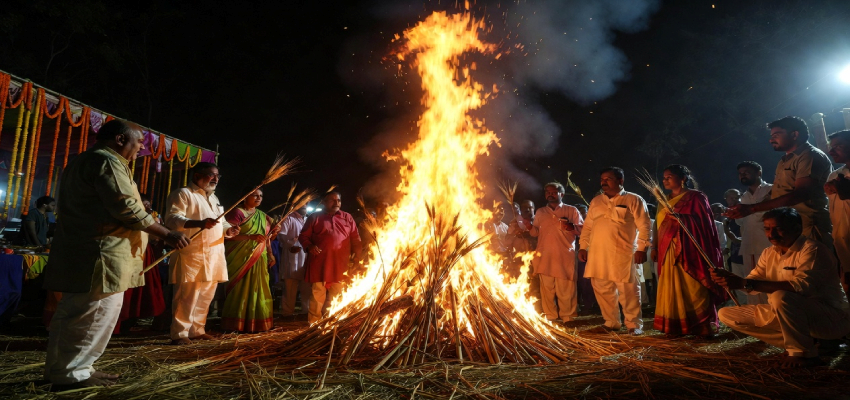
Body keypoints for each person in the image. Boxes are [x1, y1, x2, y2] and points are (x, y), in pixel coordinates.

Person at [42, 120, 190, 388]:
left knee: (72, 313)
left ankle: (63, 368)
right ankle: (73, 374)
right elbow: (129, 209)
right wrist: (168, 234)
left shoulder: (84, 160)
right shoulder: (108, 162)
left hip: (86, 251)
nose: (141, 149)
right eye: (139, 143)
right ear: (121, 140)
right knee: (95, 313)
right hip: (103, 253)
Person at [711, 207, 850, 368]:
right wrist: (731, 279)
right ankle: (808, 342)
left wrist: (745, 283)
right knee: (726, 314)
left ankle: (802, 353)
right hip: (790, 315)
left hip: (829, 317)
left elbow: (801, 287)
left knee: (780, 296)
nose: (772, 234)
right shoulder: (769, 253)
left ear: (797, 228)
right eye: (767, 229)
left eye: (779, 229)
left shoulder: (812, 249)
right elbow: (752, 282)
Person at [726, 116, 832, 248]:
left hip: (807, 226)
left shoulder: (809, 156)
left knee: (811, 267)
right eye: (771, 136)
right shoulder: (784, 161)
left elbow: (800, 194)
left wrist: (751, 208)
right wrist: (745, 209)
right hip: (787, 229)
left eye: (776, 135)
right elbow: (778, 194)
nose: (771, 139)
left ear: (794, 134)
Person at [165, 162, 239, 344]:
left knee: (206, 295)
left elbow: (220, 223)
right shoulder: (183, 194)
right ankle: (180, 334)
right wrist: (199, 223)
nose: (215, 179)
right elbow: (172, 219)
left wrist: (229, 230)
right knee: (187, 295)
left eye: (217, 176)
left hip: (214, 255)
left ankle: (197, 330)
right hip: (192, 254)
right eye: (211, 175)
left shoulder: (213, 198)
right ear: (197, 176)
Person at [651, 165, 728, 337]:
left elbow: (706, 224)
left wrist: (683, 219)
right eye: (664, 178)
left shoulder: (696, 197)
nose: (665, 180)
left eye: (669, 176)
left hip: (691, 249)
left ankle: (702, 325)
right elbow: (658, 226)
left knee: (695, 286)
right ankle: (676, 326)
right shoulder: (663, 200)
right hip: (668, 249)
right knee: (672, 286)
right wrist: (655, 246)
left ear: (683, 178)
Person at [579, 167, 651, 334]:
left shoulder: (634, 199)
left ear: (620, 181)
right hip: (598, 254)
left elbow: (645, 226)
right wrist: (583, 247)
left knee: (629, 290)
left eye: (608, 178)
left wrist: (642, 248)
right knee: (602, 288)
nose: (604, 182)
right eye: (602, 179)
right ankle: (611, 322)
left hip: (624, 254)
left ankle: (634, 325)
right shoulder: (596, 201)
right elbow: (588, 227)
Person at [221, 188, 280, 332]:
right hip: (240, 258)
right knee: (239, 289)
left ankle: (258, 323)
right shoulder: (237, 213)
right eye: (255, 195)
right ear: (245, 197)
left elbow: (267, 238)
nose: (259, 198)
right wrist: (249, 237)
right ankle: (236, 324)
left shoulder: (263, 216)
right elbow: (227, 234)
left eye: (261, 195)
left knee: (259, 288)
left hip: (259, 257)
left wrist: (271, 252)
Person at [298, 192, 362, 324]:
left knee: (337, 294)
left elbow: (356, 239)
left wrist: (357, 257)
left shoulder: (347, 217)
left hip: (341, 263)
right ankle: (314, 323)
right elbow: (303, 236)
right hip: (319, 262)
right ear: (324, 202)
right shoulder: (314, 217)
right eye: (332, 200)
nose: (336, 202)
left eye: (338, 200)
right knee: (317, 295)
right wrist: (309, 246)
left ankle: (334, 322)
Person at [529, 182, 583, 324]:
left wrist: (570, 226)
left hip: (564, 255)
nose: (550, 194)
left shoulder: (571, 210)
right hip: (545, 256)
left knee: (566, 288)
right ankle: (550, 316)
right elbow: (535, 232)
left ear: (561, 194)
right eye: (547, 192)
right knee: (547, 289)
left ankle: (568, 317)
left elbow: (582, 230)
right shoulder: (541, 212)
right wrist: (528, 226)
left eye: (553, 192)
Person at [113, 195, 167, 334]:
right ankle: (119, 324)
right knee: (127, 290)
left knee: (143, 289)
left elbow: (156, 238)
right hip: (130, 252)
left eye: (149, 205)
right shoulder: (131, 216)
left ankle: (132, 321)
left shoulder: (151, 217)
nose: (148, 208)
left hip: (145, 254)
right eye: (145, 205)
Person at [735, 161, 773, 305]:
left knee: (768, 280)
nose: (742, 175)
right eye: (740, 173)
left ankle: (772, 316)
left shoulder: (771, 190)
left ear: (759, 173)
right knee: (749, 282)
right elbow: (742, 222)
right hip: (749, 245)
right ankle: (755, 315)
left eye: (746, 172)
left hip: (767, 244)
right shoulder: (743, 197)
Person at [825, 130, 850, 300]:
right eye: (831, 147)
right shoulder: (835, 175)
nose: (831, 151)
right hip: (842, 243)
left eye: (838, 146)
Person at [277, 205, 311, 317]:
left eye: (307, 204)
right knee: (290, 288)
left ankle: (306, 311)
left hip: (306, 257)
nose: (305, 206)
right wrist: (290, 244)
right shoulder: (288, 218)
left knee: (306, 288)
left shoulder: (308, 219)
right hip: (292, 256)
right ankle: (287, 313)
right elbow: (281, 236)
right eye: (303, 204)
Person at [573, 204, 598, 316]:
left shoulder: (595, 223)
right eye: (579, 212)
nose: (582, 215)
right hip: (580, 256)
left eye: (584, 212)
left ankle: (595, 304)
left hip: (594, 255)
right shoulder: (574, 225)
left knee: (593, 281)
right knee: (582, 282)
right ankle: (586, 304)